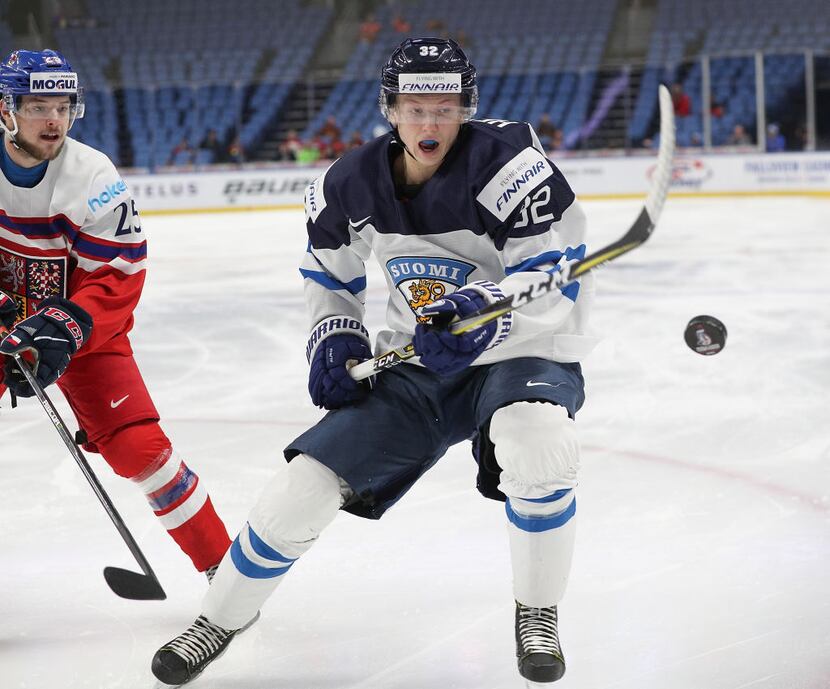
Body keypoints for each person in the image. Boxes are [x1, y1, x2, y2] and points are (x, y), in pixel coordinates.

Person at [151, 37, 596, 687]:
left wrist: (481, 311)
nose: (429, 122)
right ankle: (220, 617)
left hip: (522, 346)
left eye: (444, 106)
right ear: (390, 109)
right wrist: (335, 334)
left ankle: (537, 610)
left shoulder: (513, 171)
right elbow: (327, 272)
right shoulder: (349, 182)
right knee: (308, 478)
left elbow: (552, 282)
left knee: (538, 439)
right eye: (415, 106)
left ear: (465, 108)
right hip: (420, 358)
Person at [0, 50, 232, 583]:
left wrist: (63, 327)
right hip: (10, 319)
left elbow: (118, 273)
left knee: (139, 450)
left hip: (78, 329)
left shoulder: (91, 173)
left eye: (63, 106)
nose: (53, 119)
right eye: (37, 106)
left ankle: (227, 570)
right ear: (6, 109)